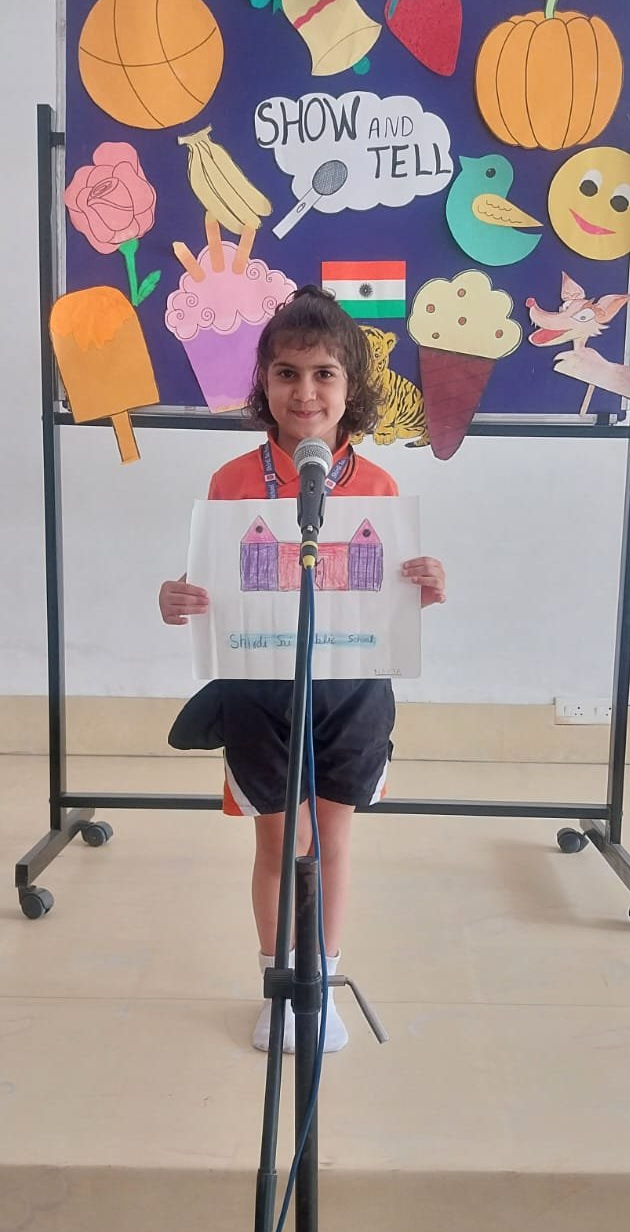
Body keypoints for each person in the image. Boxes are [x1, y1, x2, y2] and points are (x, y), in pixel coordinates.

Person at [159, 286, 446, 1054]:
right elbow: (213, 585)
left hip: (352, 689)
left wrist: (423, 584)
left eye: (324, 373)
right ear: (264, 381)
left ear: (352, 386)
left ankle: (321, 981)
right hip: (260, 688)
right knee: (281, 842)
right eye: (286, 373)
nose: (305, 391)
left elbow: (386, 595)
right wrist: (176, 596)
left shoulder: (379, 488)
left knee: (333, 841)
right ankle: (279, 986)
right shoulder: (230, 483)